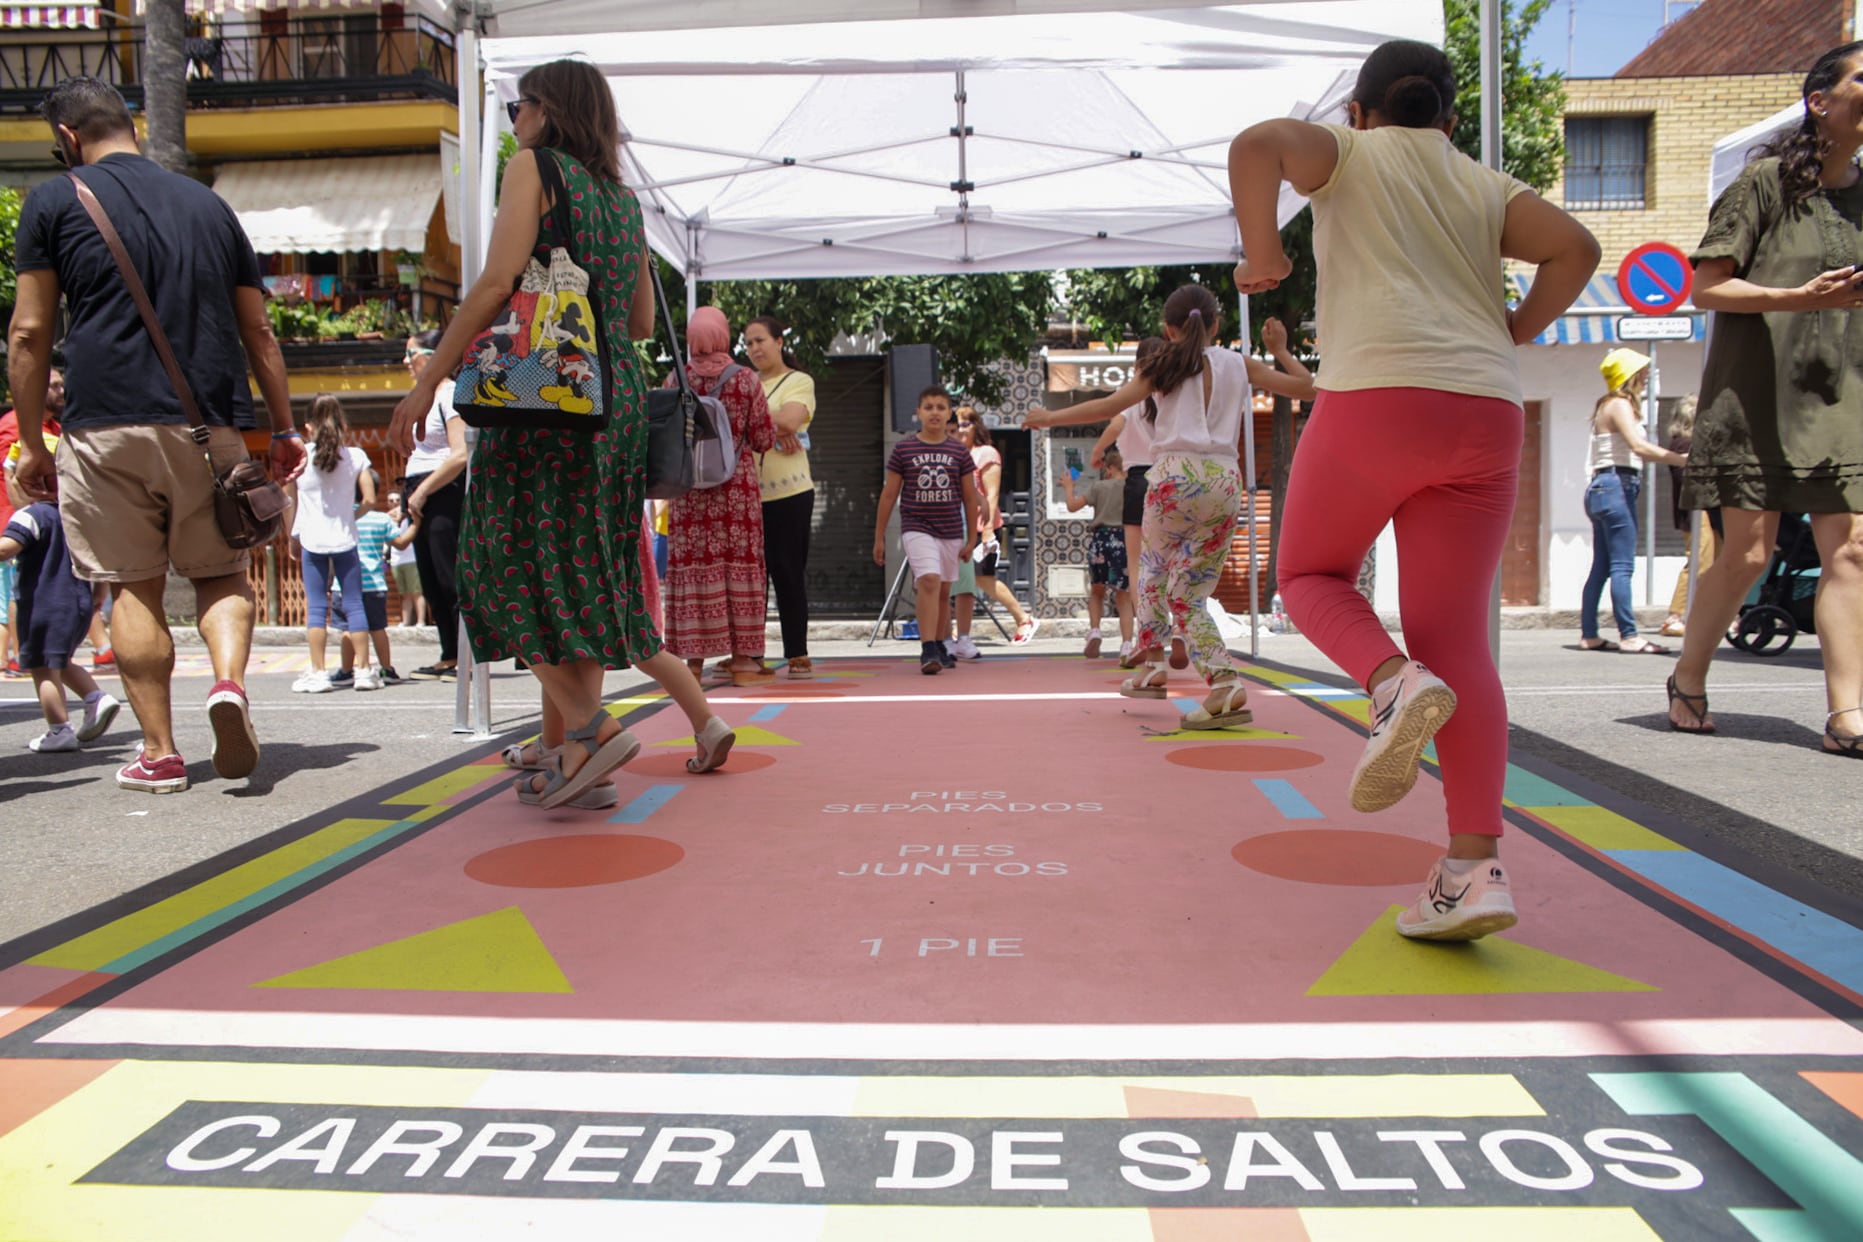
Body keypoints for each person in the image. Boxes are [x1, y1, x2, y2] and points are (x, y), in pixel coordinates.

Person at [1228, 38, 1599, 938]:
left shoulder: (1348, 152)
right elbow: (1578, 249)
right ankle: (1473, 871)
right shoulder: (1480, 183)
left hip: (1376, 399)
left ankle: (1389, 683)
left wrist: (1263, 250)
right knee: (1460, 645)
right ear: (1445, 116)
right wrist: (1512, 327)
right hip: (1483, 413)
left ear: (1358, 111)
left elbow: (1255, 145)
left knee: (1309, 577)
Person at [389, 58, 733, 809]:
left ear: (545, 111)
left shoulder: (534, 167)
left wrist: (428, 379)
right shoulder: (619, 198)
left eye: (519, 106)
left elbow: (491, 281)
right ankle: (581, 764)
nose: (513, 120)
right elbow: (641, 323)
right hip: (613, 408)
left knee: (489, 564)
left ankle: (588, 725)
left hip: (543, 396)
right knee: (579, 574)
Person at [6, 76, 304, 794]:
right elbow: (258, 329)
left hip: (103, 423)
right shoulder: (210, 205)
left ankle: (162, 752)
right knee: (221, 572)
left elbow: (29, 331)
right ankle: (228, 686)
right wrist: (285, 426)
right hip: (208, 422)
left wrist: (34, 445)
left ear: (68, 137)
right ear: (130, 123)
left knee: (132, 586)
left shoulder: (55, 199)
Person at [1669, 40, 1863, 757]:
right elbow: (1706, 285)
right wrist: (1796, 297)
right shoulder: (1762, 184)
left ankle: (1846, 712)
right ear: (1819, 101)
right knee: (1745, 556)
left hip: (1841, 400)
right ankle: (1687, 675)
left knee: (1850, 551)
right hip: (1755, 397)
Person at [1026, 289, 1313, 727]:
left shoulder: (1163, 364)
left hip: (1173, 479)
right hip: (1223, 479)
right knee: (1190, 594)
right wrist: (1281, 351)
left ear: (1168, 330)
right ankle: (1220, 682)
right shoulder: (1236, 363)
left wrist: (1048, 418)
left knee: (1152, 575)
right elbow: (1306, 387)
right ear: (1216, 325)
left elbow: (1109, 405)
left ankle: (1155, 666)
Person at [664, 306, 777, 687]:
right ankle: (744, 662)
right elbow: (763, 439)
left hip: (688, 492)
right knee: (739, 565)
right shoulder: (746, 380)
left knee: (695, 567)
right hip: (737, 494)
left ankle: (693, 663)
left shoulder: (674, 381)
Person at [2, 436, 120, 753]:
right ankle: (97, 698)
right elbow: (100, 560)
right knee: (60, 660)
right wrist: (98, 596)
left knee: (41, 667)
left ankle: (59, 728)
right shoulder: (75, 517)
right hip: (79, 602)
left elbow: (8, 548)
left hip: (43, 605)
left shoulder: (31, 515)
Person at [1577, 348, 1687, 654]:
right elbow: (1638, 446)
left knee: (1601, 567)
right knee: (1622, 566)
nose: (1647, 379)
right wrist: (1681, 459)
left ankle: (1589, 634)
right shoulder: (1620, 404)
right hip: (1617, 485)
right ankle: (1629, 635)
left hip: (1602, 486)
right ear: (1631, 375)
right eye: (1643, 373)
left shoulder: (1605, 406)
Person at [1090, 336, 1187, 669]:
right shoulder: (1175, 400)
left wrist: (1098, 450)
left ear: (1137, 367)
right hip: (1173, 478)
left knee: (1139, 567)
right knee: (1173, 562)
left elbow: (1115, 424)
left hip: (1138, 481)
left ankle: (1150, 636)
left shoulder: (1132, 404)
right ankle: (1180, 632)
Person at [873, 386, 981, 674]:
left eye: (940, 407)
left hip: (951, 529)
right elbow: (888, 495)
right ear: (918, 413)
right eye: (929, 407)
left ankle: (941, 642)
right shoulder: (904, 449)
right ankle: (927, 649)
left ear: (949, 415)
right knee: (930, 580)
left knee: (944, 590)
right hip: (916, 526)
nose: (934, 412)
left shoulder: (959, 451)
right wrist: (879, 536)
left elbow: (970, 497)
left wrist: (973, 538)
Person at [285, 395, 379, 693]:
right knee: (354, 604)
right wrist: (352, 517)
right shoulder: (355, 456)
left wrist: (292, 534)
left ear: (308, 426)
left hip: (312, 539)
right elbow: (369, 499)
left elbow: (289, 500)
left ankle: (318, 673)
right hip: (345, 539)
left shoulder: (299, 457)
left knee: (316, 607)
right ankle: (363, 671)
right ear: (343, 424)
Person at [744, 315, 817, 680]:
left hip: (790, 493)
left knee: (787, 573)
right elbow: (726, 419)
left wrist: (752, 420)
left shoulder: (798, 381)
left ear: (779, 342)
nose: (755, 348)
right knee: (751, 579)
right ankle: (750, 655)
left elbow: (790, 421)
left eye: (761, 340)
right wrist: (768, 423)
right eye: (749, 343)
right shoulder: (745, 382)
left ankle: (797, 654)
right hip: (745, 495)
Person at [400, 327, 466, 680]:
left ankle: (462, 655)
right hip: (420, 489)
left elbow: (459, 454)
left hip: (442, 490)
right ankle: (447, 653)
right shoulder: (424, 396)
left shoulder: (450, 394)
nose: (406, 362)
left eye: (411, 354)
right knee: (428, 577)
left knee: (447, 576)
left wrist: (424, 490)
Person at [0, 366, 65, 676]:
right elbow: (8, 473)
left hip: (49, 518)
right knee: (18, 590)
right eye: (53, 385)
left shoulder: (53, 426)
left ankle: (26, 652)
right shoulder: (14, 426)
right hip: (18, 519)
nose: (61, 391)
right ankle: (19, 653)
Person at [956, 410, 1038, 647]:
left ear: (975, 426)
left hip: (984, 526)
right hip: (962, 526)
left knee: (983, 578)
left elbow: (992, 494)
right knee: (965, 581)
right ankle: (959, 632)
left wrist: (988, 529)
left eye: (965, 424)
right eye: (957, 425)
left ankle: (1024, 619)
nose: (960, 429)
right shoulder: (960, 453)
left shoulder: (986, 453)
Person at [1061, 447, 1134, 658]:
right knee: (1124, 595)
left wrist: (1069, 486)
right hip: (1123, 541)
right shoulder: (1131, 488)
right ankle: (1127, 644)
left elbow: (1072, 506)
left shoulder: (1098, 486)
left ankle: (1094, 631)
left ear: (1109, 468)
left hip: (1100, 541)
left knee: (1096, 590)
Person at [1659, 395, 1720, 637]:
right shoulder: (1683, 445)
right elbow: (1686, 481)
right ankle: (1675, 615)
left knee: (1714, 560)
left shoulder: (1692, 444)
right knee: (1698, 561)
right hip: (1695, 512)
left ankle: (1711, 614)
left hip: (1707, 511)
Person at [342, 469, 401, 685]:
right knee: (378, 628)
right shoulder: (381, 519)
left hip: (345, 583)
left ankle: (347, 670)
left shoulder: (344, 517)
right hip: (375, 583)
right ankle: (386, 669)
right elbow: (401, 542)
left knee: (348, 629)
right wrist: (416, 525)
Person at [386, 489, 426, 627]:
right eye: (391, 500)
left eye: (397, 500)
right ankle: (406, 621)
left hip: (411, 557)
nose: (395, 503)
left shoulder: (409, 515)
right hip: (396, 559)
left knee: (416, 591)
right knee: (404, 593)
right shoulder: (387, 519)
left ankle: (421, 621)